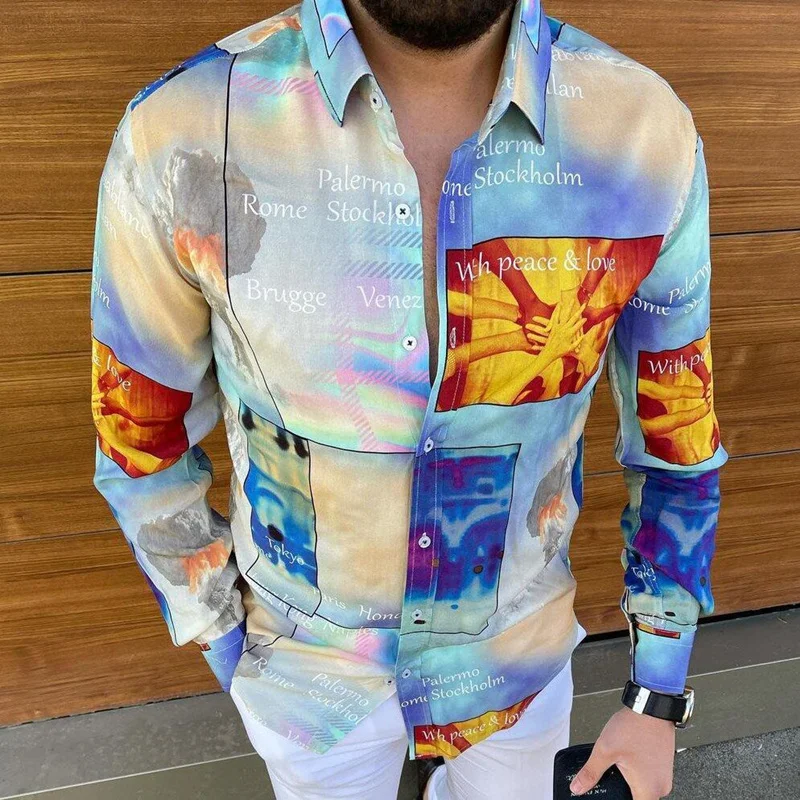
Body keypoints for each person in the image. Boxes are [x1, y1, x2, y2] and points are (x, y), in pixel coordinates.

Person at [89, 0, 728, 797]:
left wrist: (656, 692)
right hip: (304, 680)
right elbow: (138, 441)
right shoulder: (181, 130)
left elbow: (678, 440)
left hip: (516, 665)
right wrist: (225, 638)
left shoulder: (641, 133)